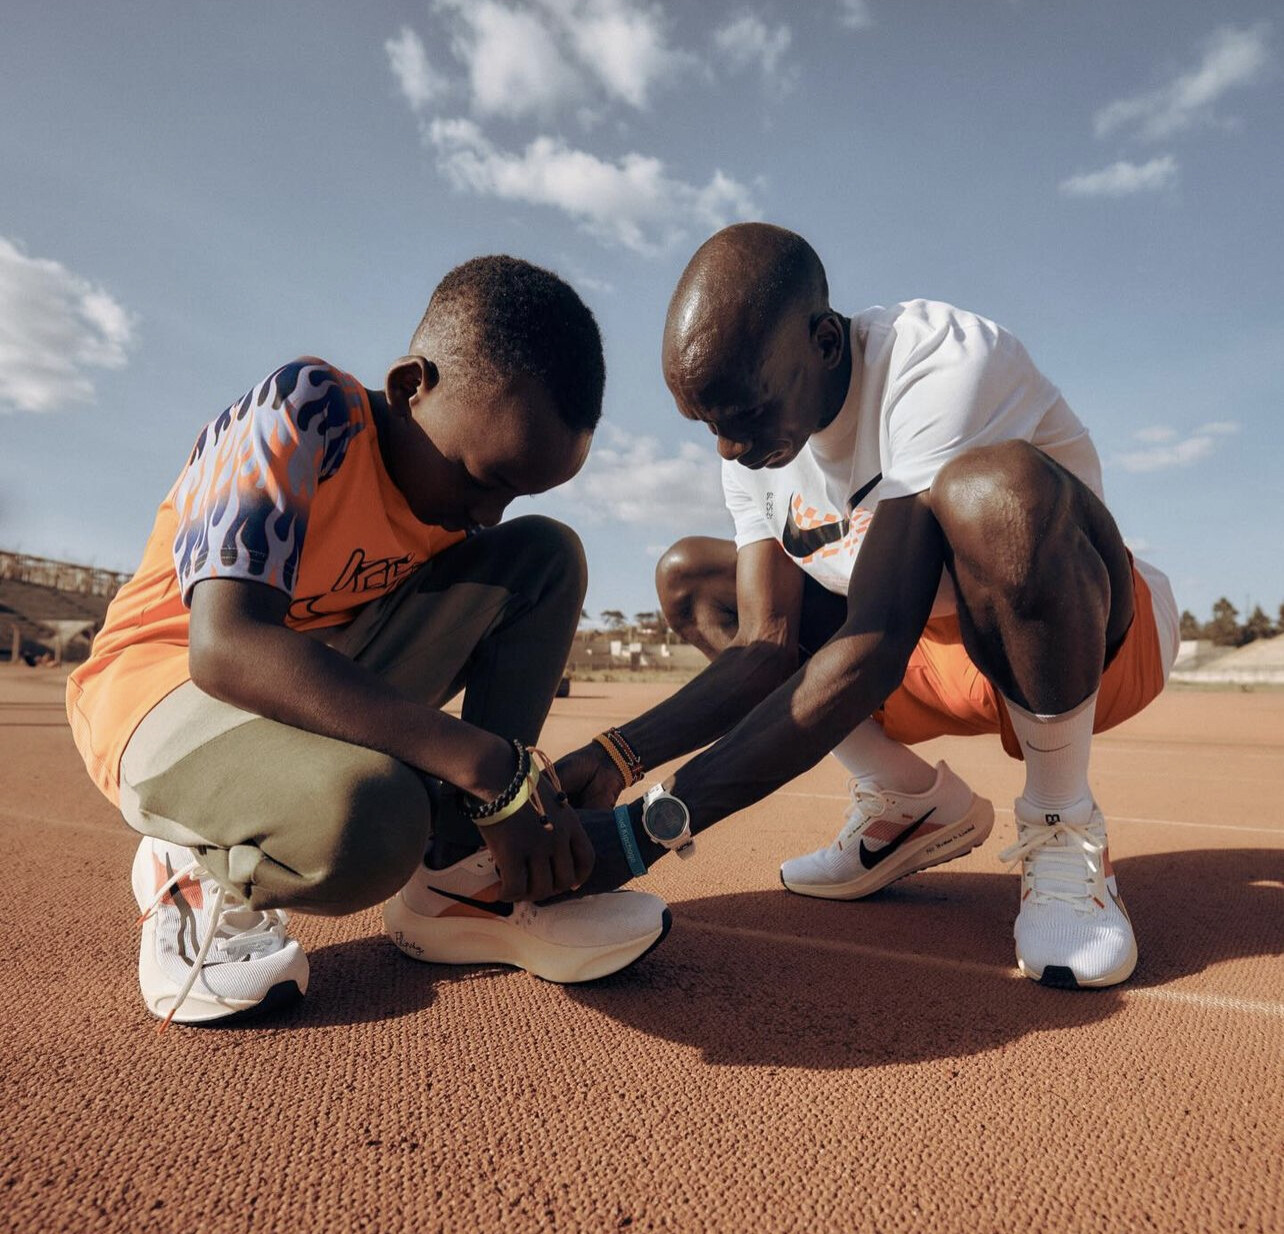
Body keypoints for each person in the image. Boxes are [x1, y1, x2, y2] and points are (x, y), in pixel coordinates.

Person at [557, 223, 1179, 989]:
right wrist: (615, 756)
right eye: (709, 425)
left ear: (825, 342)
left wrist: (647, 829)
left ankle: (1062, 823)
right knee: (694, 579)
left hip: (1079, 646)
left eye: (744, 414)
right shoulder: (754, 447)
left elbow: (877, 641)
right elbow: (764, 646)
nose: (728, 448)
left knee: (992, 495)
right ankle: (905, 801)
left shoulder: (936, 362)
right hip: (922, 663)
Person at [66, 256, 670, 1029]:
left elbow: (486, 553)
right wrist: (489, 764)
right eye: (481, 479)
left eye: (518, 492)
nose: (489, 514)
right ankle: (194, 863)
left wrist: (492, 798)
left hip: (305, 682)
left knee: (546, 556)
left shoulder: (453, 499)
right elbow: (226, 645)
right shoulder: (306, 411)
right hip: (164, 687)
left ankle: (455, 881)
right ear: (411, 387)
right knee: (375, 821)